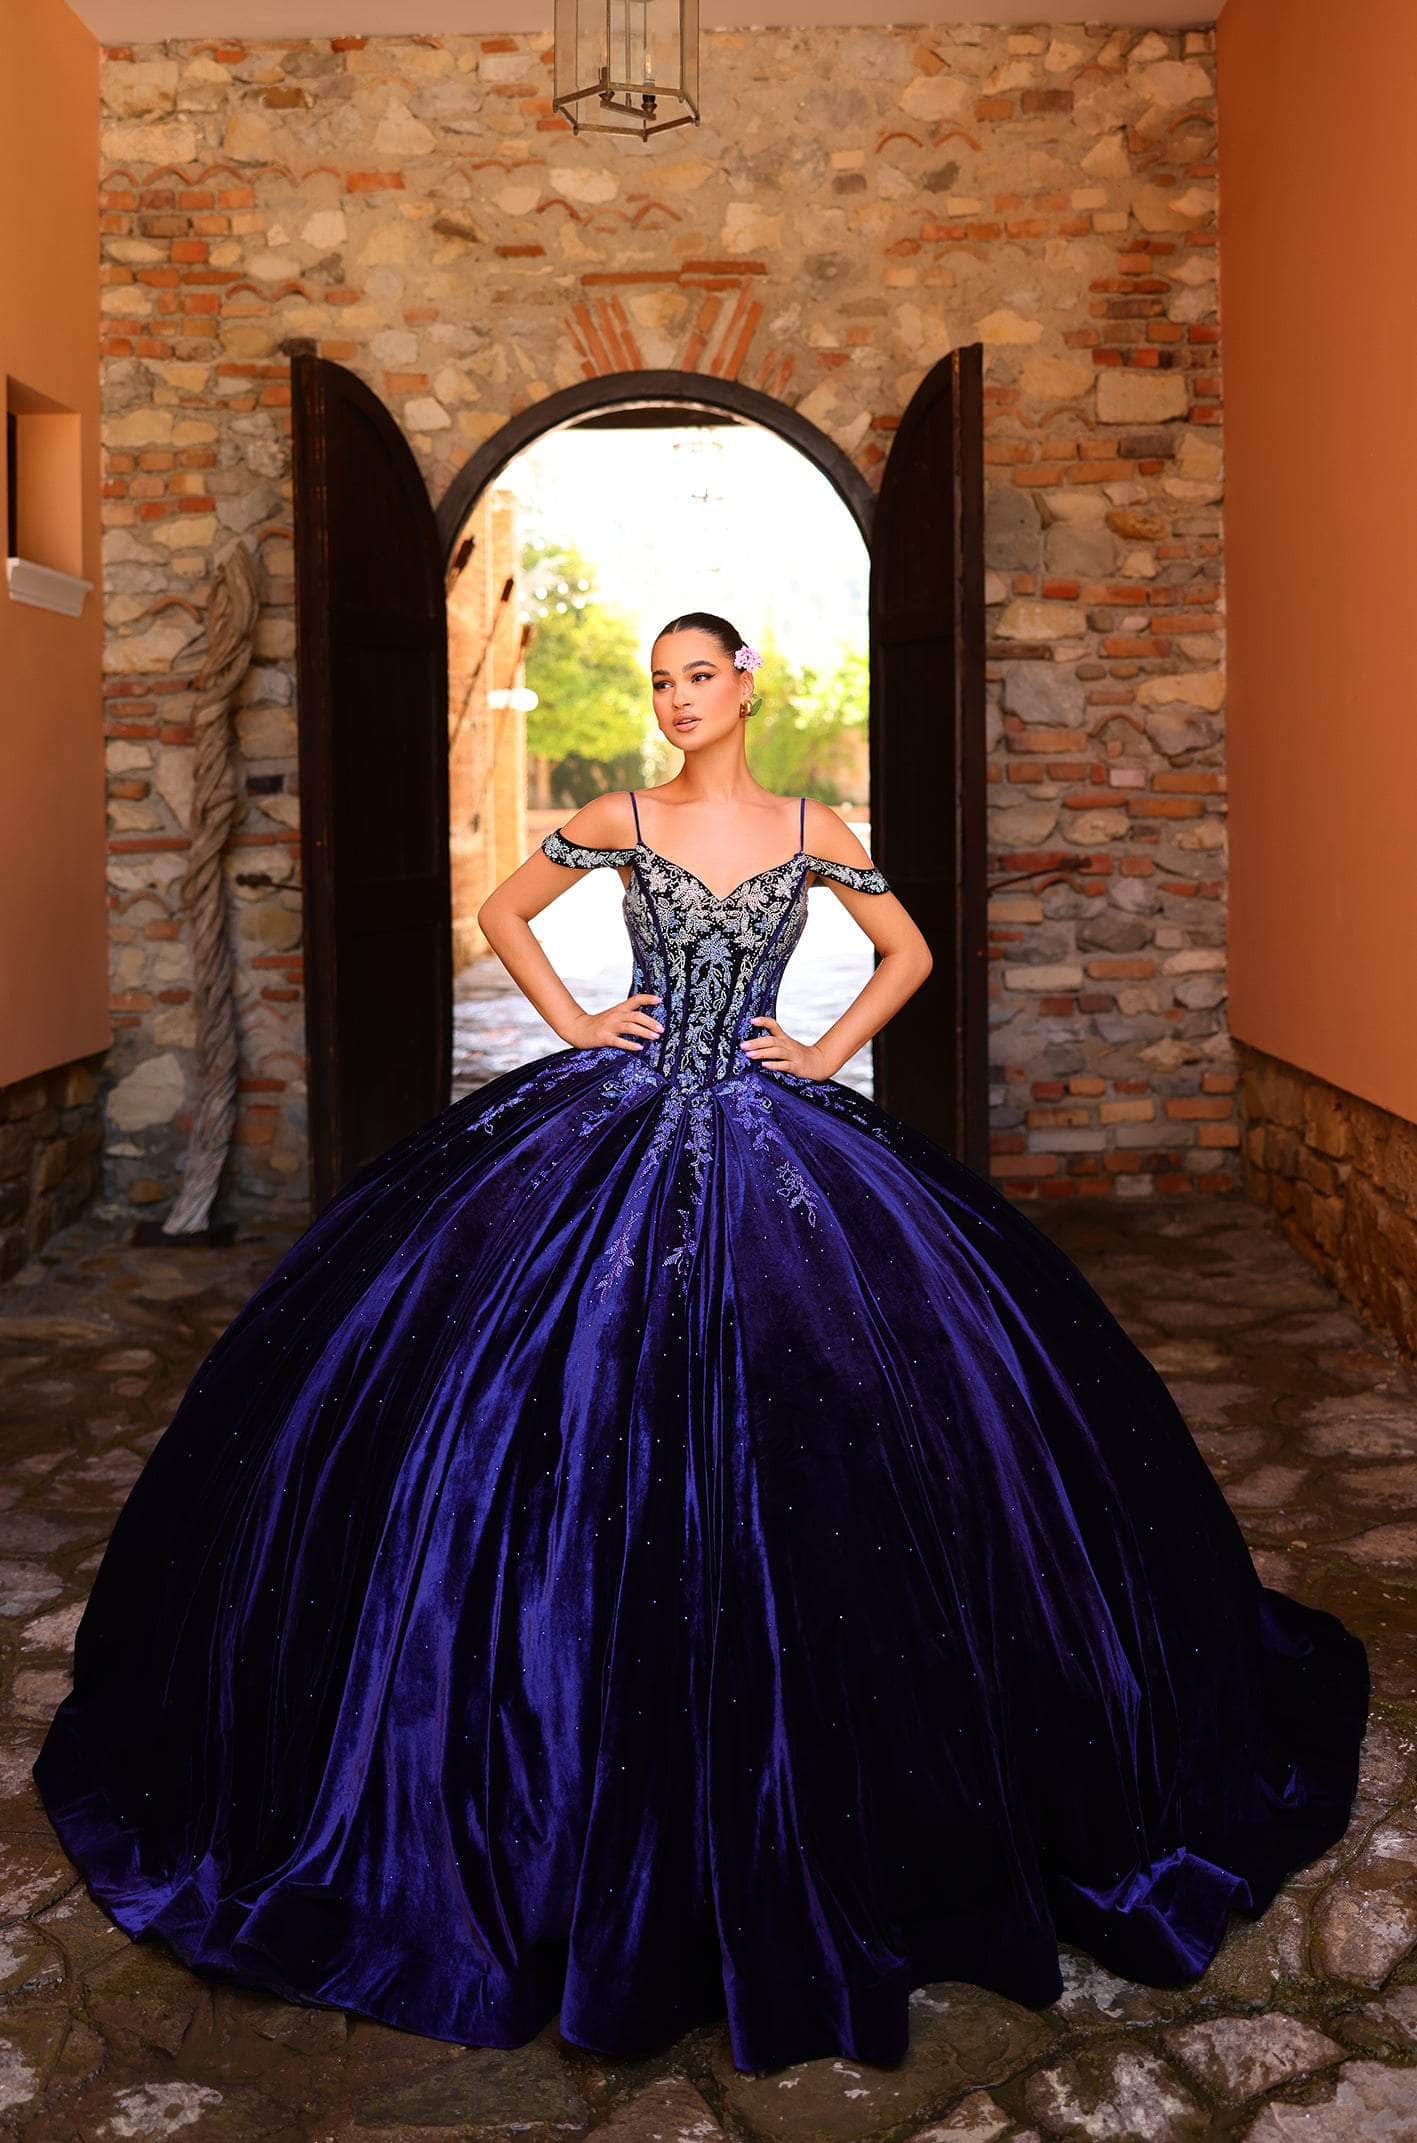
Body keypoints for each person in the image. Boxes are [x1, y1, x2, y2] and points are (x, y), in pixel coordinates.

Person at [33, 611, 1369, 2077]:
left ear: (747, 685)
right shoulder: (621, 817)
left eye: (698, 677)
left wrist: (824, 1051)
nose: (676, 700)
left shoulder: (812, 827)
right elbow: (504, 915)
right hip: (621, 1108)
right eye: (660, 682)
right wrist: (576, 1021)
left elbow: (908, 950)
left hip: (769, 1122)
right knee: (540, 1388)